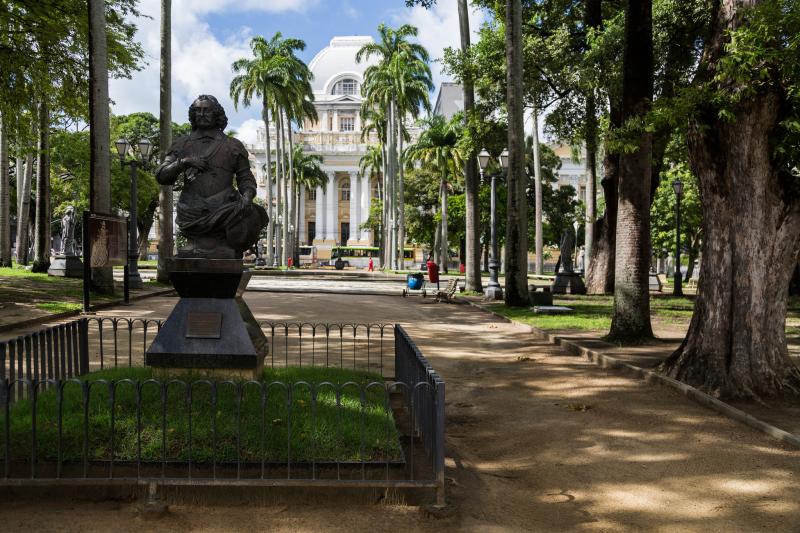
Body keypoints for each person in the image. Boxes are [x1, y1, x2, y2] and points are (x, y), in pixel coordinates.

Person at [155, 94, 267, 259]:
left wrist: (248, 196)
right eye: (198, 111)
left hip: (225, 209)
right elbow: (162, 176)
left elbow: (245, 177)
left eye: (206, 110)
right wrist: (183, 162)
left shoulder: (233, 146)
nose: (201, 114)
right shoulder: (182, 144)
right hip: (191, 211)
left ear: (217, 114)